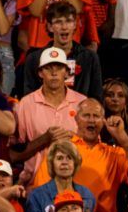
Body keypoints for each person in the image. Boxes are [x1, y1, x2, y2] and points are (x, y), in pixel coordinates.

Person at [33, 99, 128, 212]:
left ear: (103, 121)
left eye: (96, 116)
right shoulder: (61, 150)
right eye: (86, 115)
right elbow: (43, 192)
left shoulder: (114, 154)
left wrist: (122, 138)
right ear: (76, 119)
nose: (91, 120)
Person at [11, 46, 84, 186]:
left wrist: (74, 139)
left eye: (59, 67)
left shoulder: (82, 102)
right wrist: (45, 139)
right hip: (36, 184)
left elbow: (92, 145)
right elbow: (15, 154)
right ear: (40, 73)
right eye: (48, 68)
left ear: (67, 73)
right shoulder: (26, 104)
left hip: (76, 184)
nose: (54, 72)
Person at [18, 1, 102, 100]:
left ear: (75, 24)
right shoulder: (34, 58)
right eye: (58, 22)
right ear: (50, 26)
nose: (64, 27)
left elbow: (96, 97)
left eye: (68, 21)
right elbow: (29, 97)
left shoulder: (90, 58)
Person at [24, 140, 97, 212]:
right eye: (59, 158)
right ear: (52, 164)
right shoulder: (37, 196)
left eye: (69, 158)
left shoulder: (87, 195)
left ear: (75, 163)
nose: (64, 162)